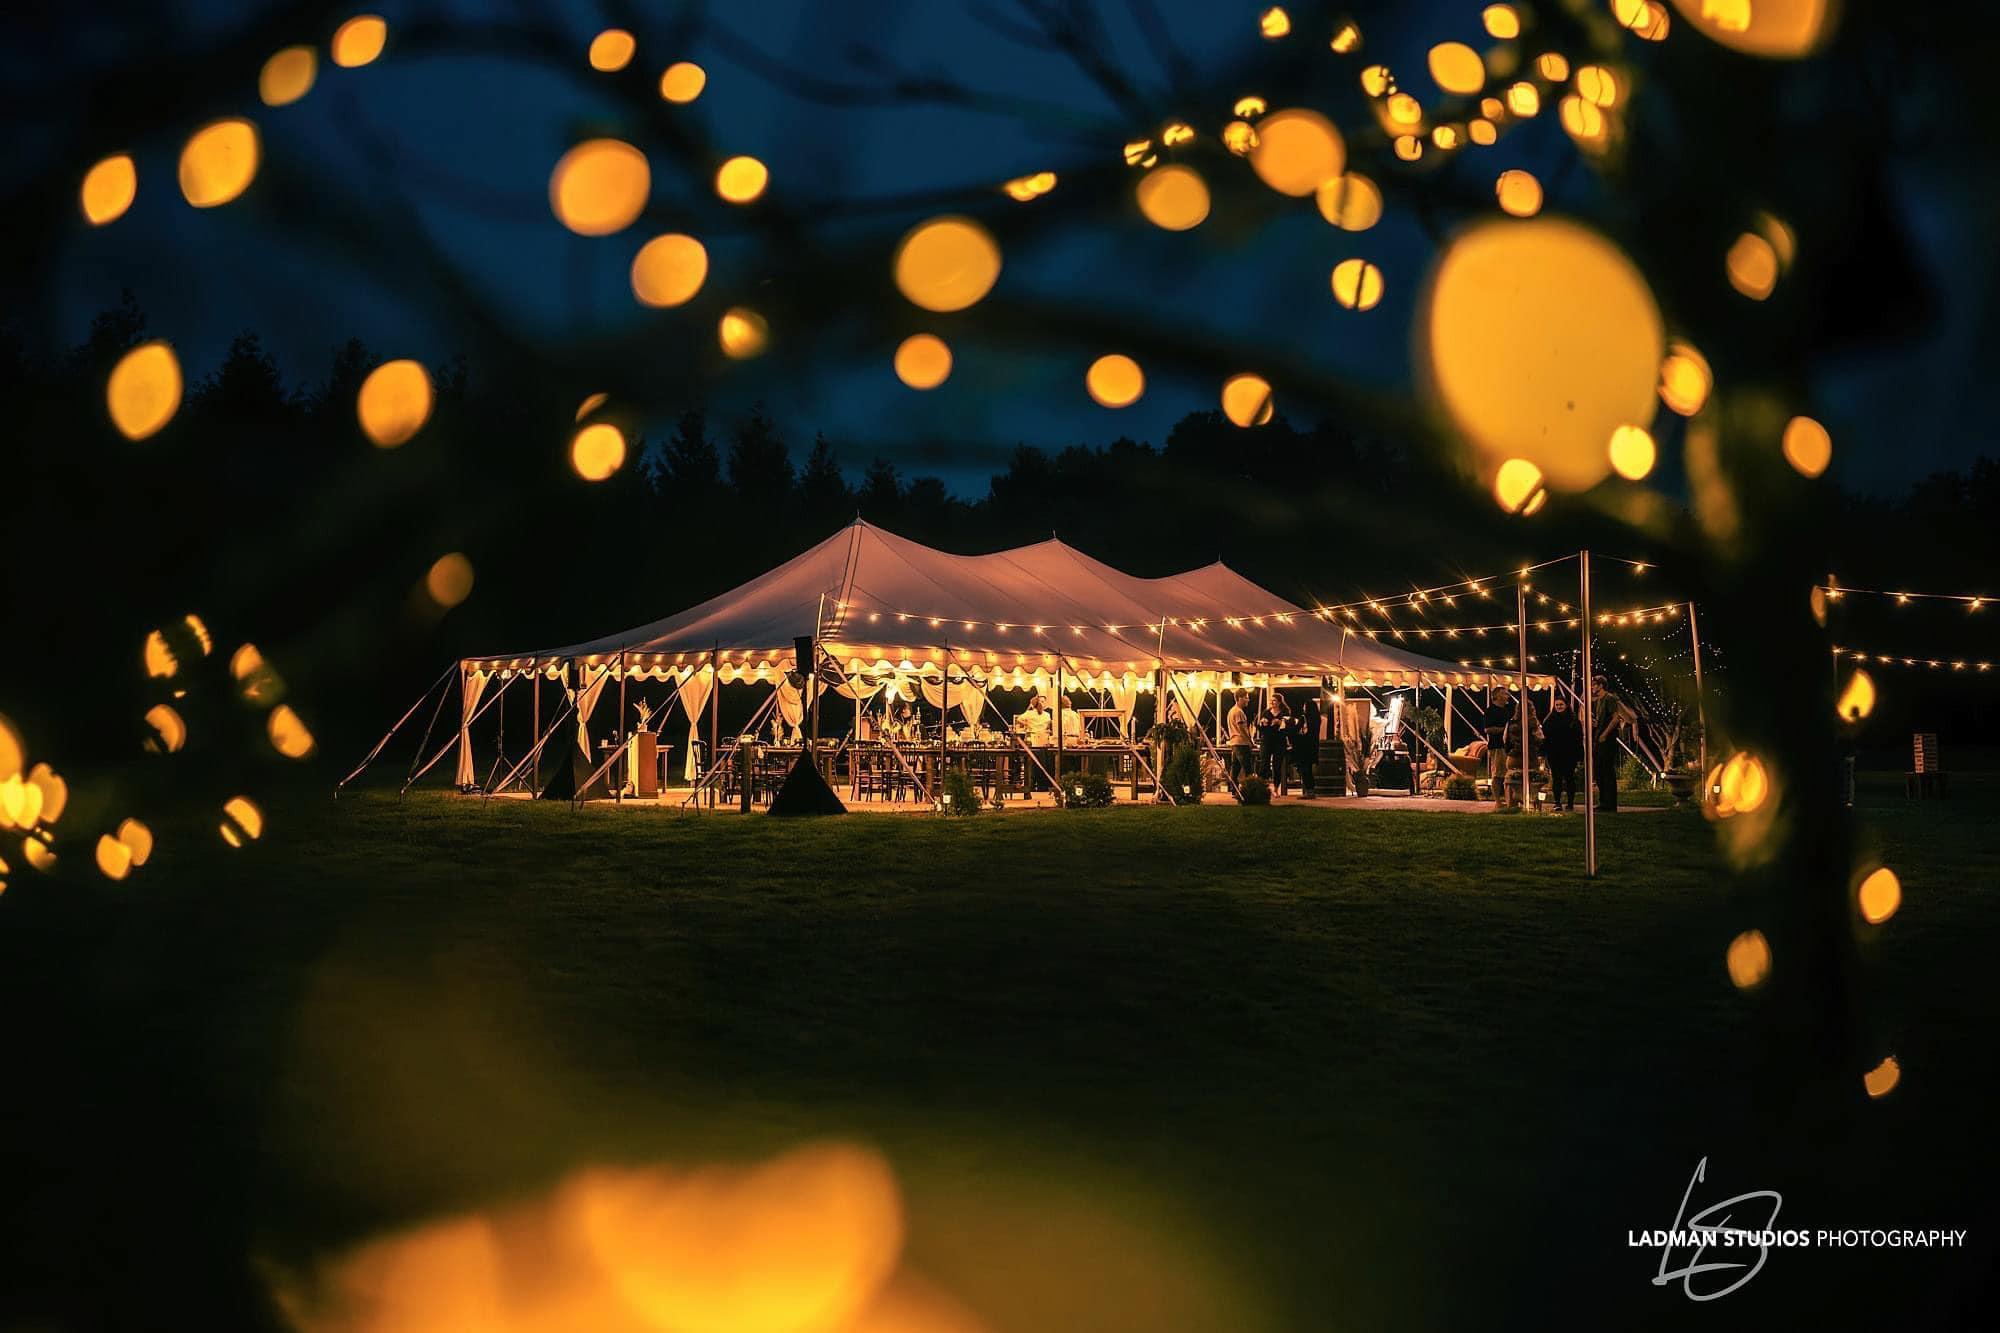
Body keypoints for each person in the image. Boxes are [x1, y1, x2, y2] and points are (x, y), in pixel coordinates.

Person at [1590, 675, 1637, 812]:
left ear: (1601, 685)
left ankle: (1609, 803)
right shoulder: (1599, 700)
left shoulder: (1609, 698)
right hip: (1599, 736)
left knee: (1607, 771)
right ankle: (1603, 801)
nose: (1592, 687)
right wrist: (1596, 724)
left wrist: (1605, 734)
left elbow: (1616, 718)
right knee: (1599, 770)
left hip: (1607, 739)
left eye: (1594, 684)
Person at [1501, 692, 1544, 810]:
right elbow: (1540, 738)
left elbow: (1505, 739)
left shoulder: (1511, 722)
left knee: (1511, 780)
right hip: (1531, 757)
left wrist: (1510, 749)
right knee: (1533, 781)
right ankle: (1534, 805)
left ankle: (1511, 805)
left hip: (1514, 756)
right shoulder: (1534, 723)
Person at [1542, 693, 1583, 812]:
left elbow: (1578, 738)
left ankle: (1570, 803)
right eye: (1557, 705)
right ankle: (1557, 802)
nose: (1559, 707)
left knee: (1570, 778)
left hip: (1569, 754)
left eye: (1561, 704)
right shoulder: (1549, 720)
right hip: (1554, 754)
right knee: (1557, 778)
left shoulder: (1573, 720)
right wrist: (1543, 753)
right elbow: (1545, 738)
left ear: (1566, 705)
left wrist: (1580, 754)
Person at [1483, 685, 1512, 808]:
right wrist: (1504, 730)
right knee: (1498, 774)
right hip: (1497, 746)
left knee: (1509, 774)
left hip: (1509, 747)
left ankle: (1509, 800)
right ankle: (1498, 802)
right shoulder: (1490, 711)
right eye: (1505, 694)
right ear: (1498, 696)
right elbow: (1488, 729)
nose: (1508, 696)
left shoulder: (1507, 711)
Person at [1257, 691, 1292, 792]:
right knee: (1264, 763)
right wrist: (1262, 724)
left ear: (1279, 702)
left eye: (1274, 701)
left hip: (1279, 741)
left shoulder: (1285, 713)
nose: (1272, 702)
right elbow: (1259, 726)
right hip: (1267, 740)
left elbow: (1289, 726)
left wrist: (1279, 722)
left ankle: (1276, 788)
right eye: (1271, 701)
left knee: (1277, 765)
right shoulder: (1266, 712)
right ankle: (1261, 786)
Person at [1293, 695, 1319, 798]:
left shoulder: (1304, 718)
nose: (1303, 707)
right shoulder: (1317, 718)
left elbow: (1296, 729)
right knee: (1309, 768)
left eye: (1305, 706)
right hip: (1313, 746)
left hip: (1303, 746)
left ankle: (1309, 790)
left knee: (1304, 768)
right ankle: (1311, 790)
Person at [1227, 689, 1255, 784]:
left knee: (1235, 767)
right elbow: (1242, 728)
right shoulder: (1239, 712)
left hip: (1234, 742)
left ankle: (1233, 788)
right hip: (1241, 743)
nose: (1248, 700)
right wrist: (1250, 740)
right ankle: (1250, 787)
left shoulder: (1231, 711)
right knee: (1248, 768)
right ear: (1239, 698)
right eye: (1246, 698)